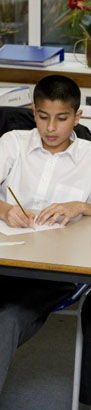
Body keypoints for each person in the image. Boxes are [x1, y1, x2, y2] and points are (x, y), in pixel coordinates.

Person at [0, 74, 91, 410]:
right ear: (33, 111)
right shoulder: (12, 143)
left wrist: (81, 206)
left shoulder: (89, 157)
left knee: (7, 318)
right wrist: (6, 209)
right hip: (8, 257)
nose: (51, 128)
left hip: (52, 272)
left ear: (78, 117)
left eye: (62, 118)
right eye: (42, 116)